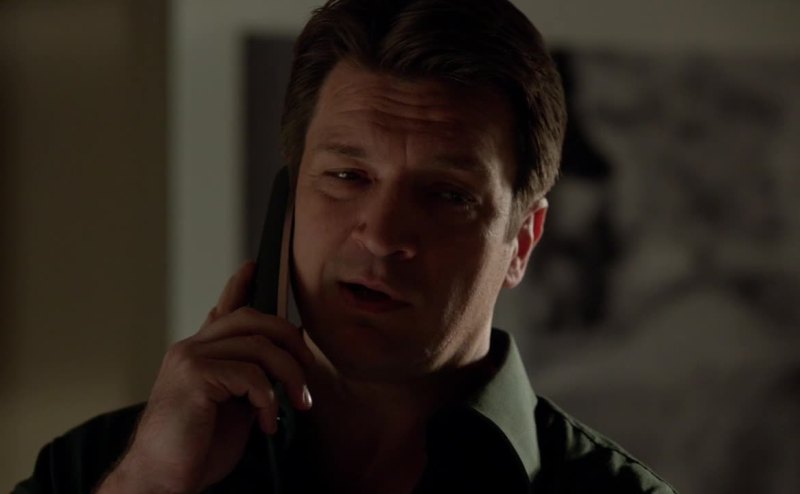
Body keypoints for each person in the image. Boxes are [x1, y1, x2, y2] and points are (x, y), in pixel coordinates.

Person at [15, 0, 676, 492]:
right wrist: (152, 483)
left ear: (522, 242)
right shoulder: (100, 469)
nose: (382, 236)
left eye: (447, 195)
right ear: (288, 201)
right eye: (347, 177)